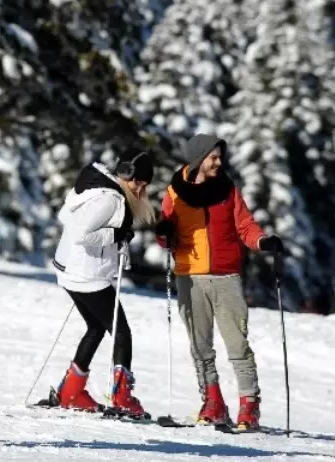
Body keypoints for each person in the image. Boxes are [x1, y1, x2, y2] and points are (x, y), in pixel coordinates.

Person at [154, 133, 284, 430]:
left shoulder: (227, 190)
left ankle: (249, 405)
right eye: (213, 157)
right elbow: (165, 233)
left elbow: (245, 225)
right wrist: (164, 233)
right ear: (199, 159)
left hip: (226, 276)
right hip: (189, 275)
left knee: (237, 344)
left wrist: (263, 242)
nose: (219, 162)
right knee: (200, 346)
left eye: (220, 156)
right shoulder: (175, 192)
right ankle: (213, 402)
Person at [46, 148, 158, 417]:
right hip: (87, 275)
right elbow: (82, 234)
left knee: (96, 327)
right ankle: (122, 397)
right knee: (122, 332)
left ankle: (71, 391)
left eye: (143, 184)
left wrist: (117, 237)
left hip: (72, 271)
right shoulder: (109, 199)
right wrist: (116, 235)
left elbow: (65, 216)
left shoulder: (97, 190)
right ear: (125, 176)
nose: (140, 188)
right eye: (137, 182)